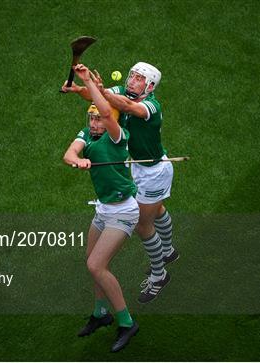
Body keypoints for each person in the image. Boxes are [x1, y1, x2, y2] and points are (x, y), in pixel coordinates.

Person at [62, 62, 178, 304]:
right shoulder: (121, 92)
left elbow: (127, 107)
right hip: (140, 166)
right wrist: (79, 89)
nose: (132, 81)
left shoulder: (150, 106)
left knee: (143, 226)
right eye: (132, 76)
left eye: (138, 79)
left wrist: (102, 92)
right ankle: (167, 251)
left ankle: (159, 275)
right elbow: (95, 99)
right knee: (156, 210)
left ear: (150, 86)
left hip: (153, 171)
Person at [63, 63, 139, 352]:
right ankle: (100, 314)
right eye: (91, 118)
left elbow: (107, 111)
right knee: (91, 262)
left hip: (123, 210)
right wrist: (77, 160)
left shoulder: (117, 138)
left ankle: (127, 322)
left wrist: (88, 84)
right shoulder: (87, 134)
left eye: (98, 119)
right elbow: (68, 153)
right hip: (104, 209)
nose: (94, 122)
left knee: (96, 265)